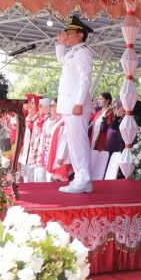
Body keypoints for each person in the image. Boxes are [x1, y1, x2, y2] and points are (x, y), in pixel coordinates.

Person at [55, 15, 95, 194]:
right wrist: (61, 44)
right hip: (69, 105)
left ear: (80, 35)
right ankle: (80, 178)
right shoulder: (73, 52)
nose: (67, 35)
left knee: (79, 143)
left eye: (70, 32)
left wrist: (79, 102)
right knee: (73, 144)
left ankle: (84, 179)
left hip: (76, 106)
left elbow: (85, 80)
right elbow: (61, 59)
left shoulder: (83, 52)